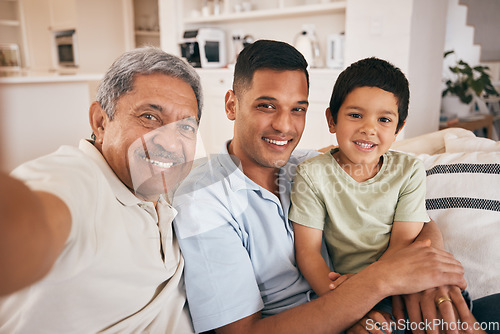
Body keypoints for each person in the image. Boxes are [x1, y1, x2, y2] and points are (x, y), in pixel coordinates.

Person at [172, 39, 476, 334]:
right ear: (231, 105)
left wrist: (430, 274)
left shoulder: (310, 163)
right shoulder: (203, 201)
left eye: (298, 109)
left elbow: (413, 216)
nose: (284, 126)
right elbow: (241, 331)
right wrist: (372, 289)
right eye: (267, 106)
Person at [0, 46, 201, 333]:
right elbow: (31, 227)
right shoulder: (78, 179)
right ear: (101, 122)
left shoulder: (165, 194)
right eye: (150, 117)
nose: (170, 143)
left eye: (186, 127)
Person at [289, 57, 429, 322]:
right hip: (338, 290)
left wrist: (369, 286)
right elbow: (308, 252)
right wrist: (338, 297)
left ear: (399, 127)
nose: (368, 129)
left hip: (397, 284)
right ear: (332, 120)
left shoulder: (409, 171)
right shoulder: (312, 174)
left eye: (384, 119)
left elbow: (402, 244)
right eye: (355, 115)